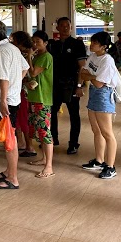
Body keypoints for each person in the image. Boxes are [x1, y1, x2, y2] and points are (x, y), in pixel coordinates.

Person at [0, 20, 29, 190]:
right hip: (10, 99)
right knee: (8, 137)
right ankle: (9, 171)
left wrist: (4, 99)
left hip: (2, 102)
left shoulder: (3, 50)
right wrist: (15, 85)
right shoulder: (12, 48)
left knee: (9, 139)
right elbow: (24, 68)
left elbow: (3, 76)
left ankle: (13, 178)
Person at [79, 31, 119, 179]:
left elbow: (99, 82)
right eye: (91, 41)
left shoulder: (107, 60)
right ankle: (99, 160)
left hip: (104, 95)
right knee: (96, 130)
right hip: (94, 93)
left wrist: (90, 76)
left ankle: (110, 166)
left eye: (94, 42)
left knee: (107, 133)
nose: (91, 44)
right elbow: (83, 72)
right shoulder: (93, 56)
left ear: (103, 46)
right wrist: (90, 76)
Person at [48, 17, 87, 154]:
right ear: (57, 27)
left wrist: (79, 85)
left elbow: (82, 67)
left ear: (71, 27)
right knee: (52, 113)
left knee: (74, 115)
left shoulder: (77, 44)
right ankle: (52, 139)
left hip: (71, 84)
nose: (65, 28)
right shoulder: (53, 44)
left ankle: (73, 143)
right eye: (62, 25)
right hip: (55, 85)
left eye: (67, 25)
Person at [26, 31, 55, 178]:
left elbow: (33, 72)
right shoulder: (38, 56)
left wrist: (29, 57)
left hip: (42, 99)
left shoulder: (46, 57)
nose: (35, 44)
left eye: (38, 41)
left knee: (44, 131)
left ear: (45, 43)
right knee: (38, 129)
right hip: (34, 97)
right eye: (33, 41)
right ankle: (44, 158)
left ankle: (49, 166)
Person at [9, 31, 36, 158]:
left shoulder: (25, 55)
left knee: (24, 118)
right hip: (20, 90)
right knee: (20, 118)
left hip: (23, 91)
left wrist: (20, 80)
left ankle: (29, 146)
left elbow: (31, 75)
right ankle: (21, 143)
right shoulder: (21, 53)